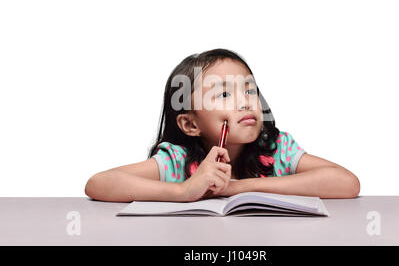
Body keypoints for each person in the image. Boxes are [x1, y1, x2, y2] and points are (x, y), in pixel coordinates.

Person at [85, 48, 360, 202]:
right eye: (225, 94)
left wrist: (240, 187)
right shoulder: (177, 160)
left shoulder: (276, 148)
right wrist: (183, 190)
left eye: (249, 90)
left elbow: (347, 184)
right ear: (190, 124)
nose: (245, 102)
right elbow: (98, 184)